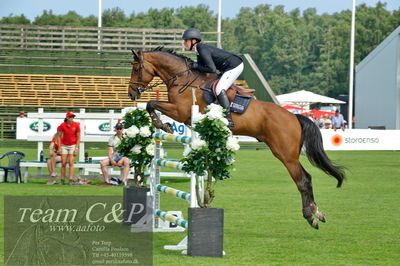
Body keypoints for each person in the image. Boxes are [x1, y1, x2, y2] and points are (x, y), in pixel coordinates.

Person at [182, 28, 243, 128]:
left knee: (219, 89)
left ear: (194, 41)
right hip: (226, 68)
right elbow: (203, 68)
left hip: (234, 66)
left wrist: (195, 66)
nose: (184, 43)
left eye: (186, 40)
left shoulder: (201, 48)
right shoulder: (199, 50)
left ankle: (228, 119)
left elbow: (211, 69)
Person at [100, 121, 130, 186]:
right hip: (115, 156)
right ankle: (107, 181)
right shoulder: (112, 138)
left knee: (127, 162)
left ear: (122, 129)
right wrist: (111, 160)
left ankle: (123, 181)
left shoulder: (126, 138)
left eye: (120, 128)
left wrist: (121, 159)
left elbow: (127, 152)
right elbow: (110, 151)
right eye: (117, 129)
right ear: (115, 129)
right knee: (102, 163)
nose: (119, 130)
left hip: (124, 156)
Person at [57, 111, 81, 185]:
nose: (72, 118)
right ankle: (62, 179)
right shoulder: (62, 125)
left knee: (71, 162)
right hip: (64, 145)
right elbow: (58, 136)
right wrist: (59, 147)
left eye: (72, 117)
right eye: (70, 117)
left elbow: (78, 137)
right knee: (63, 163)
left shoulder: (76, 125)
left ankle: (70, 179)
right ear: (67, 117)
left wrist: (77, 148)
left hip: (73, 145)